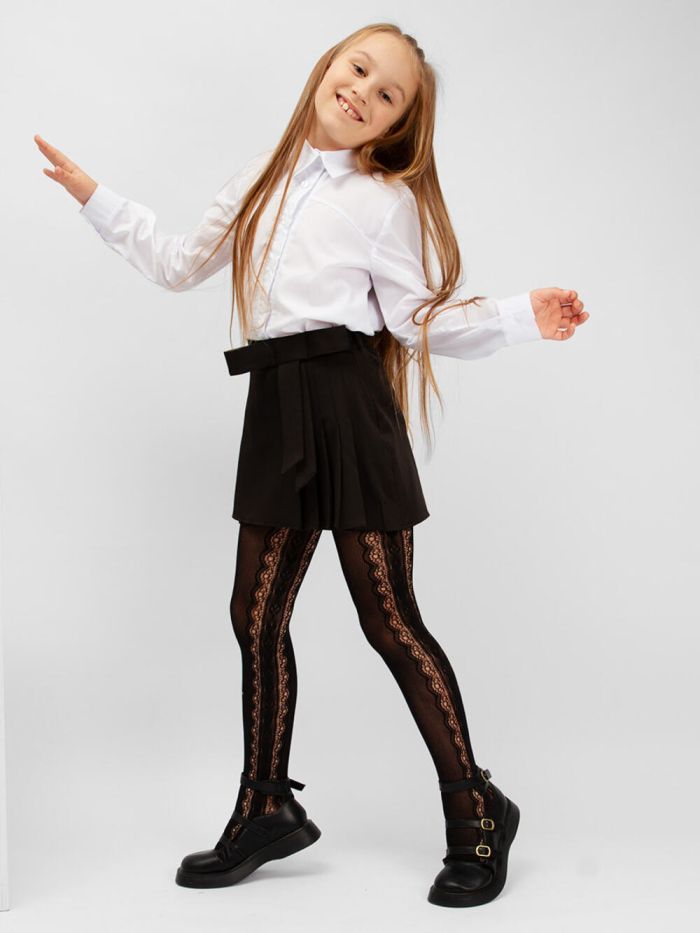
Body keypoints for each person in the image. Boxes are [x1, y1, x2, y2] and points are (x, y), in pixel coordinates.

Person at [34, 22, 588, 909]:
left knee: (389, 620)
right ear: (328, 65)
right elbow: (179, 264)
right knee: (253, 614)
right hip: (276, 402)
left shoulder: (383, 201)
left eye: (387, 93)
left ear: (394, 124)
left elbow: (416, 319)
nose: (363, 90)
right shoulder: (264, 174)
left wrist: (523, 314)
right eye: (358, 68)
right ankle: (265, 806)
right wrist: (94, 196)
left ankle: (477, 807)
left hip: (349, 405)